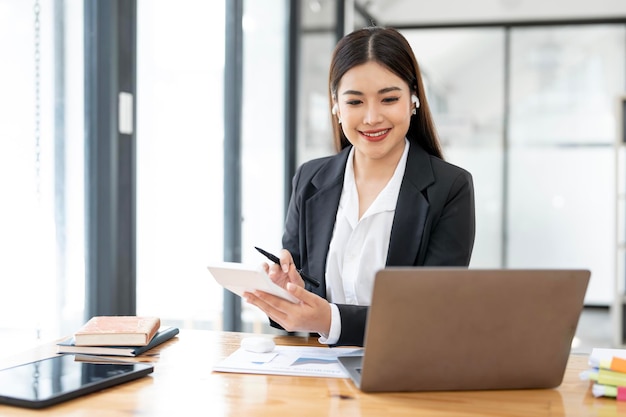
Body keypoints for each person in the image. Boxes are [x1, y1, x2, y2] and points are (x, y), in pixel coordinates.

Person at [244, 26, 475, 347]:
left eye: (389, 99)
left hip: (404, 372)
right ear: (336, 105)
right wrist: (287, 292)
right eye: (355, 102)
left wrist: (330, 320)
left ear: (413, 100)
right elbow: (303, 305)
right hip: (317, 374)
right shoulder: (310, 178)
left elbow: (431, 313)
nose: (371, 117)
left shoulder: (450, 187)